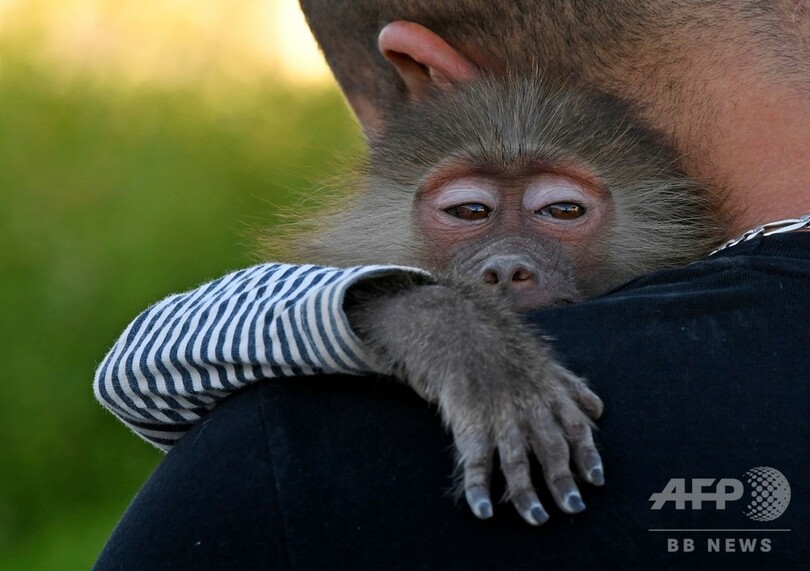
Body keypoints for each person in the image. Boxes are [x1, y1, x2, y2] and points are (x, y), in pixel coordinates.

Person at [94, 1, 810, 568]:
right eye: (467, 212)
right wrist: (427, 317)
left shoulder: (292, 456)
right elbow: (139, 365)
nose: (507, 263)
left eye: (561, 211)